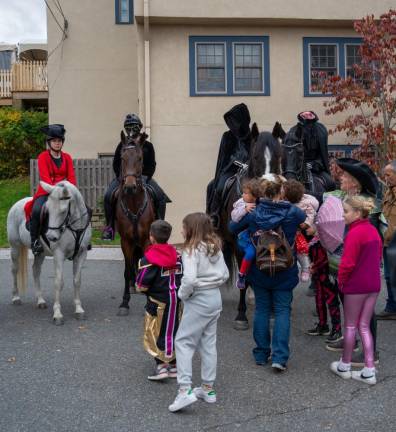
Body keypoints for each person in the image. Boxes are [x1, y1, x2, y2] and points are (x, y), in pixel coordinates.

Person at [229, 177, 306, 371]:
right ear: (281, 192)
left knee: (262, 310)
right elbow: (305, 221)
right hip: (285, 269)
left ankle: (262, 354)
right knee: (282, 311)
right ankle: (279, 357)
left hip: (260, 268)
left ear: (263, 194)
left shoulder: (254, 213)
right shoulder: (293, 212)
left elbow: (232, 228)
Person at [169, 213, 229, 413]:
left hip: (199, 299)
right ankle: (207, 389)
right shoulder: (215, 248)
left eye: (183, 227)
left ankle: (184, 390)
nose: (181, 230)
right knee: (208, 342)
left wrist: (182, 295)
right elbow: (226, 274)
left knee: (183, 341)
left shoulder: (191, 250)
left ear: (191, 230)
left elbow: (190, 279)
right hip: (215, 298)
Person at [323, 158, 380, 367]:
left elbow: (370, 235)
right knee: (345, 299)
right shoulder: (345, 197)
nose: (340, 178)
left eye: (345, 177)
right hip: (341, 260)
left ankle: (371, 352)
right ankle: (352, 340)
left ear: (354, 183)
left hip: (359, 268)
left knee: (366, 312)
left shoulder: (367, 204)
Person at [330, 195, 381, 385]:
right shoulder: (373, 231)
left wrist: (341, 282)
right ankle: (369, 370)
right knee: (364, 326)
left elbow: (347, 263)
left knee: (350, 326)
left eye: (346, 211)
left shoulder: (354, 233)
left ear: (358, 213)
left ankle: (345, 365)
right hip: (373, 285)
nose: (343, 215)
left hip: (356, 286)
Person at [102, 114, 170, 240]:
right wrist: (121, 177)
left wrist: (146, 176)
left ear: (139, 127)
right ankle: (109, 227)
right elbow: (116, 163)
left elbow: (152, 163)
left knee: (160, 196)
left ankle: (160, 224)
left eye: (134, 126)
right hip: (124, 178)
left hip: (144, 177)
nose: (131, 129)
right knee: (107, 195)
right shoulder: (121, 145)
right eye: (128, 127)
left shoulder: (148, 145)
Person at [135, 220, 183, 381]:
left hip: (157, 304)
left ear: (151, 237)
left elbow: (141, 285)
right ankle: (175, 367)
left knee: (155, 332)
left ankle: (162, 367)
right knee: (175, 331)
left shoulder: (148, 259)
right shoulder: (178, 255)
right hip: (177, 303)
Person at [24, 124, 76, 256]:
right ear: (49, 142)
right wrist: (57, 189)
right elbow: (46, 179)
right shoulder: (43, 157)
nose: (57, 143)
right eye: (54, 141)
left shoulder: (67, 158)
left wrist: (68, 190)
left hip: (64, 192)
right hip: (47, 191)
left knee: (82, 208)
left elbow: (72, 178)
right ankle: (35, 241)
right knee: (36, 210)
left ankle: (81, 239)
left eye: (59, 141)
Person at [206, 103, 252, 226]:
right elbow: (224, 156)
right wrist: (236, 163)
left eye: (236, 121)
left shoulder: (253, 136)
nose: (233, 124)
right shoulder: (227, 136)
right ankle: (214, 214)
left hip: (250, 171)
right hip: (231, 170)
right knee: (215, 186)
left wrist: (248, 164)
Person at [282, 179, 319, 282]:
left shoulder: (305, 203)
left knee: (302, 251)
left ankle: (305, 269)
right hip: (292, 230)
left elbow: (311, 214)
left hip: (301, 231)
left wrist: (307, 223)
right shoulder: (284, 201)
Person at [230, 178, 261, 289]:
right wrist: (244, 209)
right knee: (250, 253)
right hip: (245, 237)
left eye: (245, 193)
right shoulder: (241, 203)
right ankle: (242, 275)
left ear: (254, 195)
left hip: (258, 236)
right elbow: (234, 217)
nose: (242, 195)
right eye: (243, 192)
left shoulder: (260, 204)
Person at [377, 161, 396, 319]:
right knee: (389, 276)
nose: (385, 178)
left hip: (394, 242)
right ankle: (391, 307)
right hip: (387, 241)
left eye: (388, 175)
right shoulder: (389, 192)